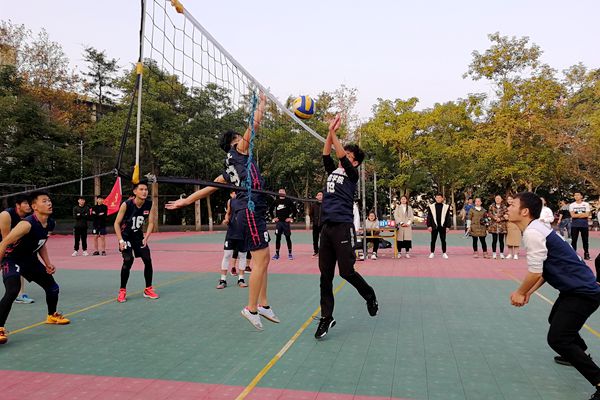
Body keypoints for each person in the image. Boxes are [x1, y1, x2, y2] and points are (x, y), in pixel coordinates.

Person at [166, 93, 278, 331]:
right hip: (249, 209)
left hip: (254, 209)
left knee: (265, 259)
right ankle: (251, 309)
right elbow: (254, 125)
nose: (244, 139)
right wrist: (262, 104)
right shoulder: (240, 150)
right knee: (260, 261)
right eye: (239, 137)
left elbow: (209, 187)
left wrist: (186, 201)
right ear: (234, 142)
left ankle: (264, 304)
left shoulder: (230, 168)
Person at [508, 192, 600, 400]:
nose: (508, 208)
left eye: (512, 205)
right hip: (575, 289)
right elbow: (545, 270)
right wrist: (529, 292)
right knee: (556, 321)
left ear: (525, 211)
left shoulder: (533, 232)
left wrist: (520, 292)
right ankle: (578, 352)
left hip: (582, 292)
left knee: (559, 338)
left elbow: (535, 272)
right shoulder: (538, 228)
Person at [315, 114, 378, 340]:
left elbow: (339, 154)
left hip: (343, 226)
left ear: (355, 163)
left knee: (346, 272)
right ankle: (326, 317)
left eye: (350, 157)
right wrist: (329, 133)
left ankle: (369, 295)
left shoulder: (352, 175)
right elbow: (326, 153)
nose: (344, 158)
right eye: (345, 155)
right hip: (327, 227)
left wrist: (333, 132)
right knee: (325, 276)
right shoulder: (333, 171)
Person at [0, 191, 70, 345]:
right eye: (44, 201)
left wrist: (47, 263)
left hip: (30, 260)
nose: (49, 203)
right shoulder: (26, 224)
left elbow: (41, 243)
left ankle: (52, 315)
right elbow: (4, 243)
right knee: (12, 290)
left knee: (53, 288)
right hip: (12, 259)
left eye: (49, 200)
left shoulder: (50, 223)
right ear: (34, 206)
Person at [114, 181, 159, 302]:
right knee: (128, 260)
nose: (144, 192)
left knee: (147, 260)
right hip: (126, 237)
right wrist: (120, 240)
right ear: (135, 191)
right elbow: (116, 223)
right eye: (141, 189)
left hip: (138, 237)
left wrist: (146, 237)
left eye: (146, 190)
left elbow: (151, 223)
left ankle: (148, 289)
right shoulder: (126, 204)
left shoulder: (149, 204)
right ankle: (122, 290)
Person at [0, 195, 35, 304]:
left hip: (12, 244)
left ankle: (20, 294)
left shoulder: (30, 217)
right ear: (18, 205)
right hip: (3, 242)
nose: (29, 206)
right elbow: (5, 239)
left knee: (18, 265)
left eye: (30, 203)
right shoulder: (6, 214)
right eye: (26, 203)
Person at [219, 191, 247, 289]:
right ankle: (223, 280)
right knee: (227, 255)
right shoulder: (230, 201)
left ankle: (241, 279)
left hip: (243, 232)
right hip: (231, 232)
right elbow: (228, 213)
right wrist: (226, 219)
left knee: (242, 255)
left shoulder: (248, 201)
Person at [271, 188, 296, 260]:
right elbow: (270, 210)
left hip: (286, 223)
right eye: (280, 191)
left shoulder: (288, 201)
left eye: (283, 191)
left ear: (285, 193)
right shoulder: (276, 201)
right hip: (279, 223)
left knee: (288, 238)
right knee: (278, 238)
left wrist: (291, 218)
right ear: (278, 193)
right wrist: (273, 218)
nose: (281, 192)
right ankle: (277, 254)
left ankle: (290, 253)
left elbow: (294, 210)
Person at [427, 193, 451, 259]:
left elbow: (448, 217)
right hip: (434, 226)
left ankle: (444, 253)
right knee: (433, 240)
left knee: (443, 240)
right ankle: (432, 253)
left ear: (442, 198)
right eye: (437, 198)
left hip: (442, 226)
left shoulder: (446, 207)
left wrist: (448, 226)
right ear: (435, 198)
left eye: (440, 198)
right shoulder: (431, 206)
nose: (438, 199)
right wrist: (429, 225)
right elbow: (429, 216)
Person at [570, 191, 591, 260]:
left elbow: (587, 215)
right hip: (574, 225)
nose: (576, 196)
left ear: (581, 196)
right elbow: (573, 215)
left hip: (584, 225)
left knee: (585, 240)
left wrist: (577, 215)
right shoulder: (572, 205)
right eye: (575, 195)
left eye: (578, 195)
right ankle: (573, 254)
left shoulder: (586, 204)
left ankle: (586, 254)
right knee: (574, 240)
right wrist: (582, 214)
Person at [488, 195, 508, 259]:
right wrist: (494, 218)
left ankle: (501, 253)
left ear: (501, 199)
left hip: (502, 226)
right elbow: (489, 214)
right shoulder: (491, 206)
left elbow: (506, 215)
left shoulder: (504, 207)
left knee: (501, 240)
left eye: (499, 198)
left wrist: (500, 219)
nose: (497, 199)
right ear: (495, 199)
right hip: (494, 226)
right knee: (494, 240)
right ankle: (494, 253)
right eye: (496, 198)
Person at [505, 195, 521, 260]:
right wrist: (505, 216)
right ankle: (510, 254)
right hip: (508, 224)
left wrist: (509, 217)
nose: (509, 200)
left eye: (511, 199)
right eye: (508, 199)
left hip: (516, 224)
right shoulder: (506, 208)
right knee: (509, 239)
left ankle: (516, 254)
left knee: (516, 239)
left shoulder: (518, 207)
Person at [309, 192, 323, 258]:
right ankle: (316, 251)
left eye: (321, 195)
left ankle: (322, 251)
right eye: (318, 195)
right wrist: (313, 220)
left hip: (323, 225)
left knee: (323, 239)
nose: (320, 196)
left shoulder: (326, 205)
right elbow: (310, 214)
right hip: (316, 225)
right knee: (315, 238)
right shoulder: (314, 205)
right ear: (316, 197)